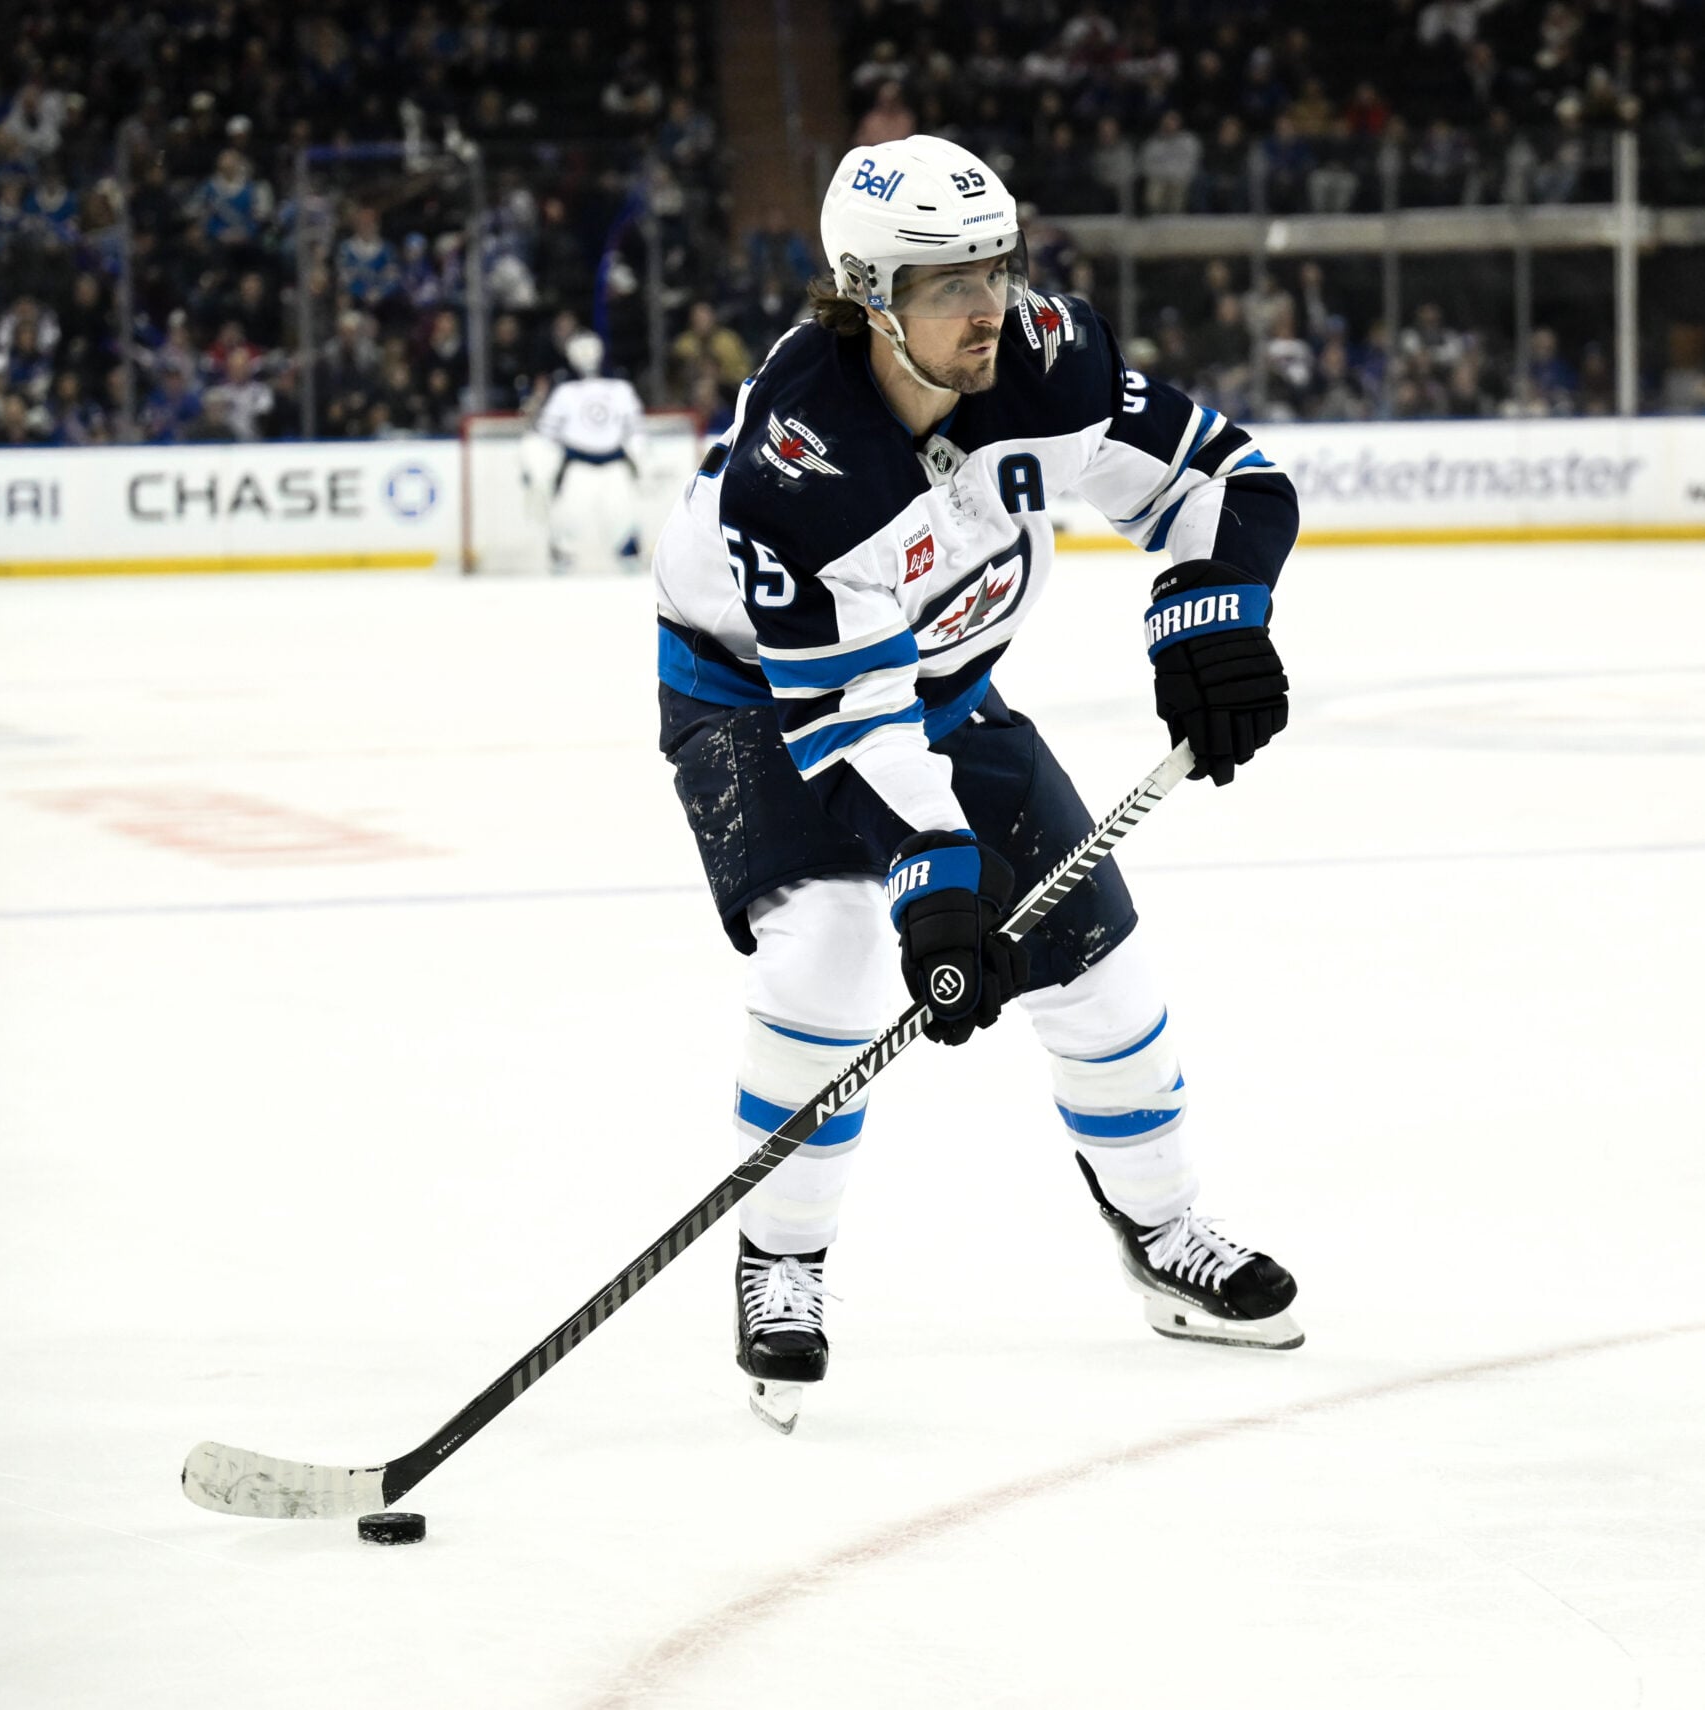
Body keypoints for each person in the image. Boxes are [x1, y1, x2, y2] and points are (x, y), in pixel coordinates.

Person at [649, 136, 1305, 1433]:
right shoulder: (798, 469)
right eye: (948, 283)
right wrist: (938, 886)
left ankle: (1164, 1229)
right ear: (866, 300)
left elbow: (1223, 478)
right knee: (834, 941)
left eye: (994, 267)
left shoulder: (1047, 359)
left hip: (946, 683)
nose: (987, 305)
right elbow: (851, 727)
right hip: (762, 701)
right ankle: (782, 1253)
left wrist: (1213, 622)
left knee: (1096, 952)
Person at [525, 331, 647, 574]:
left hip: (615, 466)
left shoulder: (620, 389)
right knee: (566, 522)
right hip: (577, 466)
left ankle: (630, 564)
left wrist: (643, 462)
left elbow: (635, 431)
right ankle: (561, 561)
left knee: (622, 520)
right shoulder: (565, 393)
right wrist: (539, 470)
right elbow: (546, 436)